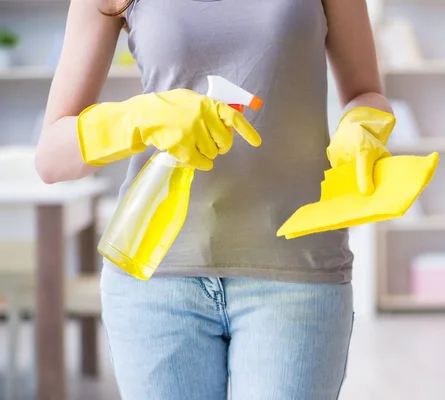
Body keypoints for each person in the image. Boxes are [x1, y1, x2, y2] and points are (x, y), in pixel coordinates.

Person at [34, 0, 396, 398]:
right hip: (154, 281)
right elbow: (52, 157)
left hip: (296, 273)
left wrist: (364, 127)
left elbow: (366, 93)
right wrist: (142, 117)